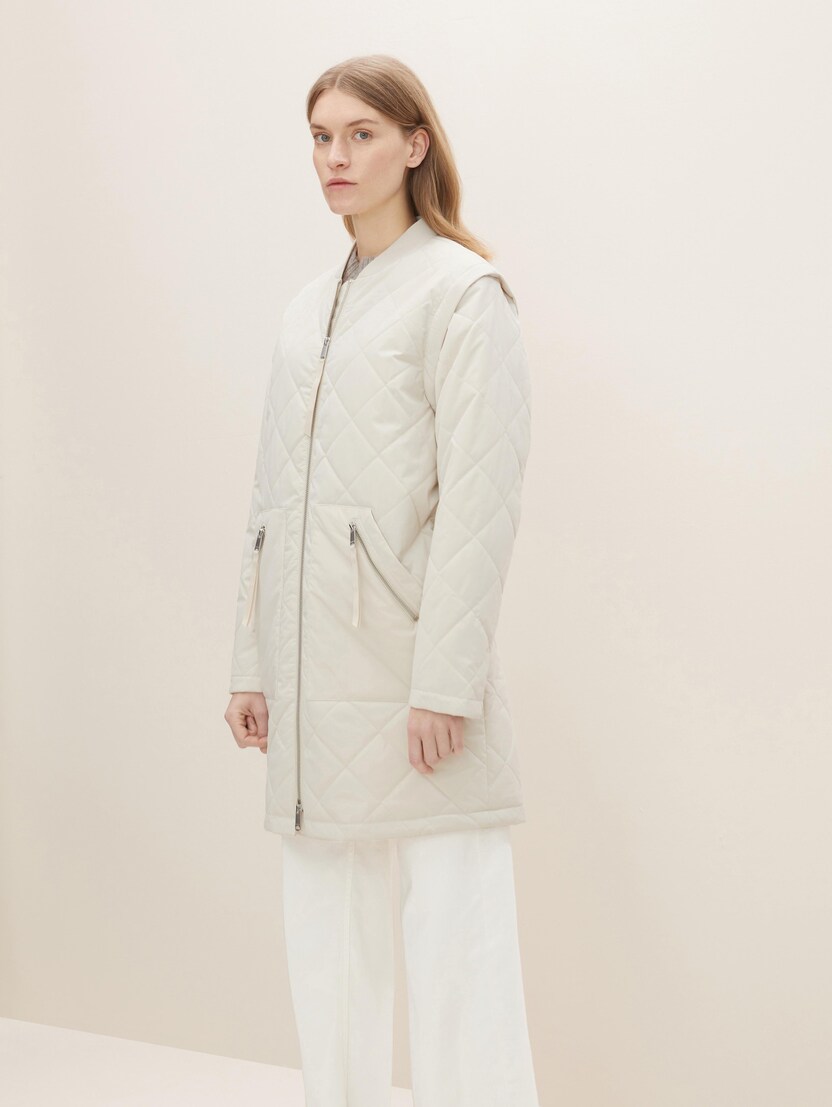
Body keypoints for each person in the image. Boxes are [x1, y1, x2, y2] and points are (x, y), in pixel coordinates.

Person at [224, 53, 540, 1107]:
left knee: (460, 944)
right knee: (328, 946)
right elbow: (269, 506)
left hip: (413, 675)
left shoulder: (464, 293)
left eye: (360, 133)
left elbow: (480, 506)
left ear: (414, 143)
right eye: (321, 137)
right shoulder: (305, 309)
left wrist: (445, 683)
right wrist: (252, 663)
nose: (335, 156)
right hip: (313, 680)